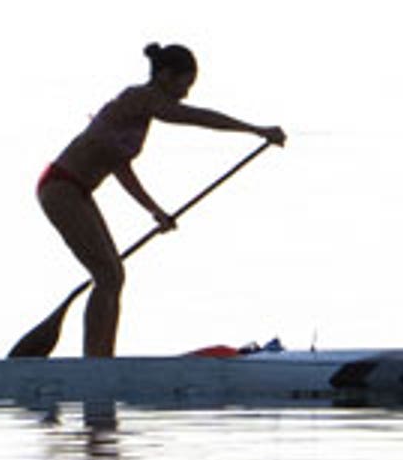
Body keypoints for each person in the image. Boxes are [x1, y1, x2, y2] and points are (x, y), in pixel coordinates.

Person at [32, 41, 283, 357]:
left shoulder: (137, 115)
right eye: (184, 84)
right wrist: (255, 129)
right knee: (108, 275)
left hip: (74, 190)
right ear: (165, 75)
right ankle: (96, 361)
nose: (186, 93)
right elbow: (195, 117)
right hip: (60, 187)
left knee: (113, 275)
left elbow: (119, 166)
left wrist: (155, 211)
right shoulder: (140, 98)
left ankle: (101, 358)